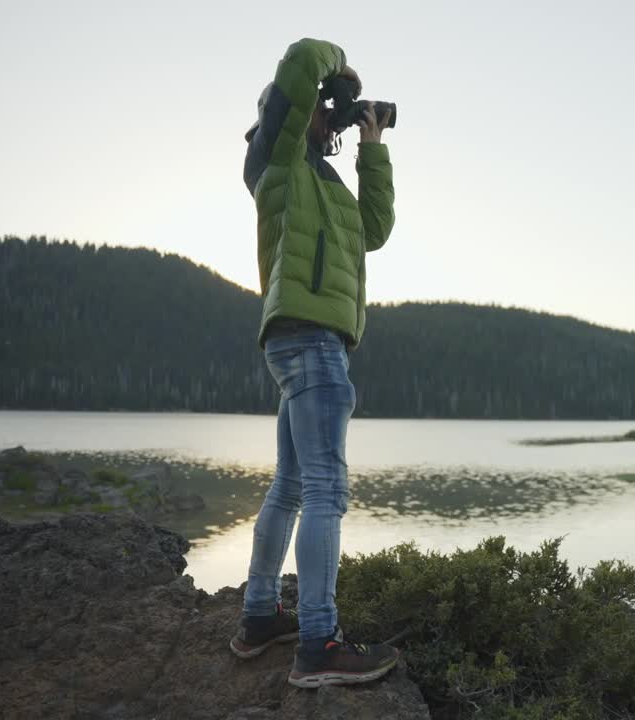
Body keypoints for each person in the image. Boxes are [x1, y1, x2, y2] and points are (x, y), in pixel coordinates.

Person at [229, 37, 397, 689]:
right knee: (328, 488)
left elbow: (375, 229)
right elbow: (302, 59)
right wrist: (339, 70)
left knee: (293, 485)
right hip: (312, 339)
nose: (327, 120)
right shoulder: (272, 161)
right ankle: (318, 643)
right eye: (321, 114)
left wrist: (372, 144)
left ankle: (259, 616)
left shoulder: (323, 184)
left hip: (306, 341)